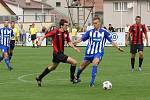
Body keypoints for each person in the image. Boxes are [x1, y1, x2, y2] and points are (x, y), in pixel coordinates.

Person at [74, 16, 124, 87]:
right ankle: (77, 77)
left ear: (99, 23)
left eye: (96, 23)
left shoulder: (104, 32)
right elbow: (81, 39)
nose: (94, 24)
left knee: (95, 63)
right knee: (82, 67)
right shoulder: (90, 32)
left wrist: (118, 48)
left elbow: (111, 41)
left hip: (98, 52)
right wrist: (74, 42)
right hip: (89, 53)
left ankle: (92, 83)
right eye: (93, 23)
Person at [35, 19, 80, 87]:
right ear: (61, 26)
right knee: (74, 62)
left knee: (53, 67)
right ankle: (72, 78)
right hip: (57, 53)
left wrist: (74, 48)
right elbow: (45, 36)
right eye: (66, 25)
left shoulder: (66, 32)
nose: (67, 27)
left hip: (59, 53)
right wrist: (40, 41)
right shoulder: (55, 31)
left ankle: (39, 78)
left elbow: (69, 42)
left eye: (67, 25)